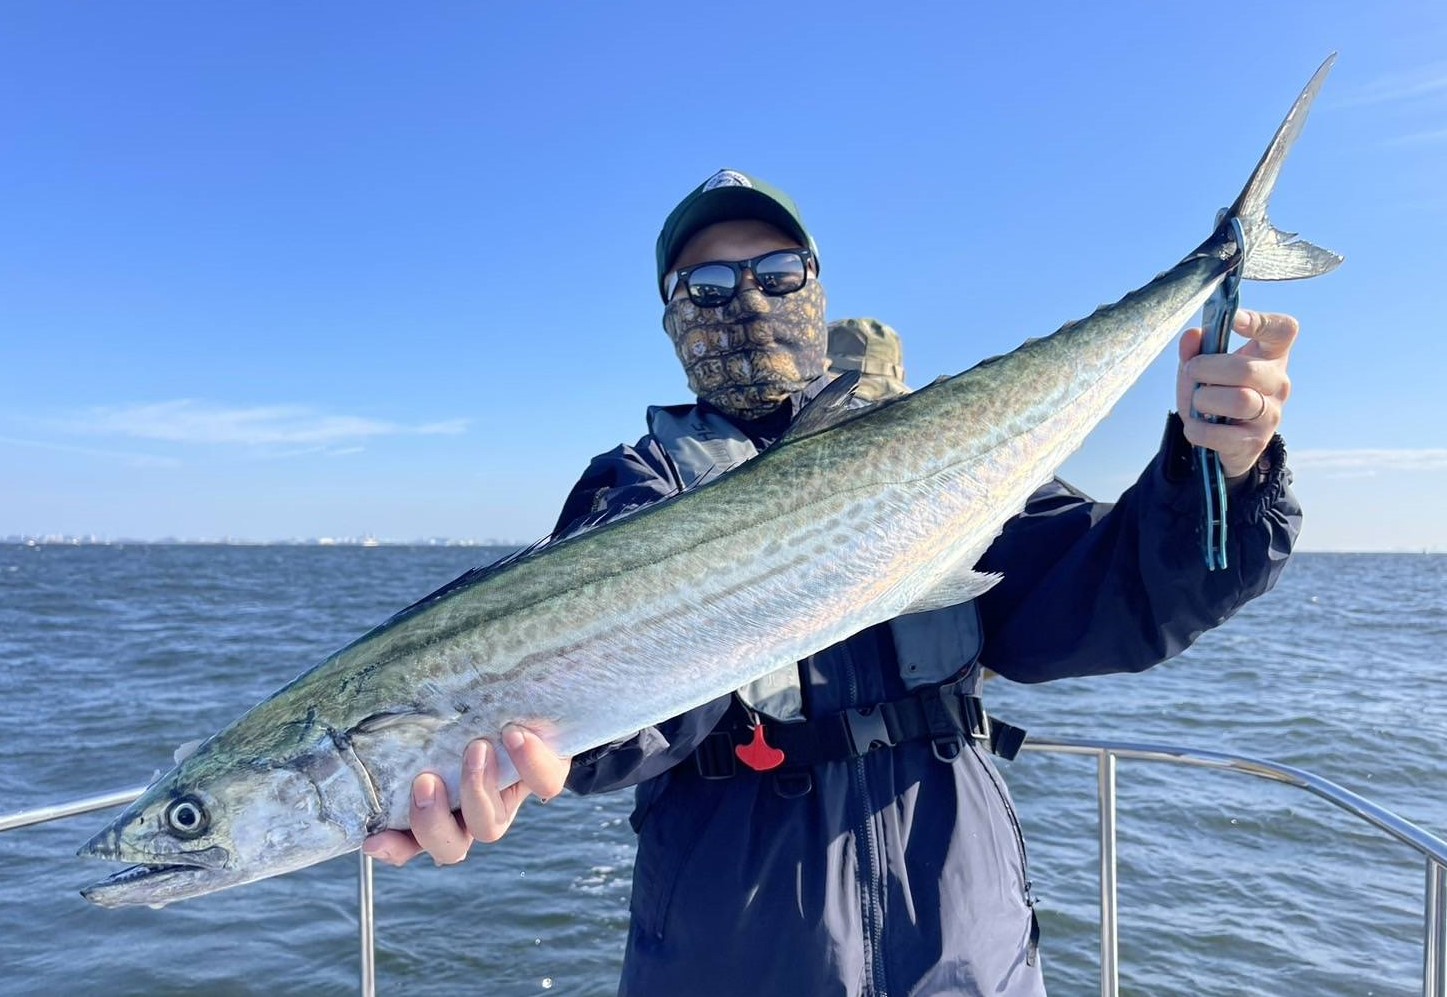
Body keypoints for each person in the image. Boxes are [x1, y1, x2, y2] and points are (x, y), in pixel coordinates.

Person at [364, 169, 1302, 995]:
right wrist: (496, 760)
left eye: (777, 274)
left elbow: (1115, 601)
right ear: (669, 315)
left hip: (965, 943)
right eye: (707, 284)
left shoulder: (938, 452)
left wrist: (1220, 467)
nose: (746, 301)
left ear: (817, 290)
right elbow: (613, 701)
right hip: (732, 955)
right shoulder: (638, 487)